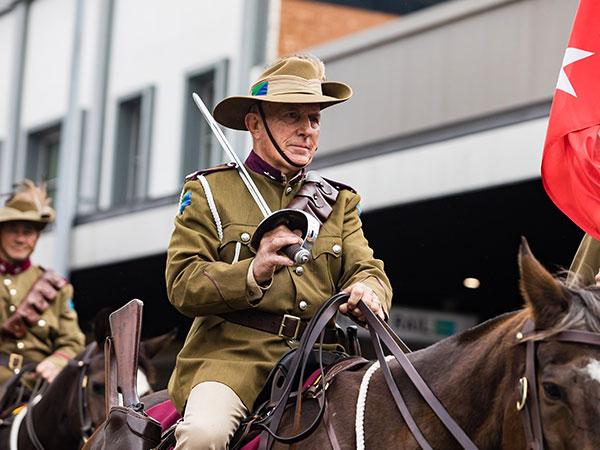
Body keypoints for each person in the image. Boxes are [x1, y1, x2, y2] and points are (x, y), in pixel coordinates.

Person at [166, 54, 392, 450]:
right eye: (292, 116)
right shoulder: (209, 192)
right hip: (235, 357)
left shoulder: (338, 202)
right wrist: (254, 271)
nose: (307, 130)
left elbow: (366, 267)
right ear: (255, 124)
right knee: (204, 437)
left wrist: (369, 291)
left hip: (323, 358)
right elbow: (182, 286)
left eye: (314, 119)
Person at [0, 180, 85, 388]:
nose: (20, 239)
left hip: (39, 388)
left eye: (27, 232)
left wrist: (56, 361)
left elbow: (72, 341)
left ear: (37, 237)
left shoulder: (57, 288)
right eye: (13, 230)